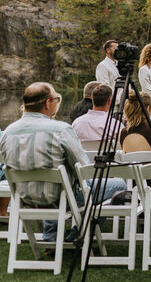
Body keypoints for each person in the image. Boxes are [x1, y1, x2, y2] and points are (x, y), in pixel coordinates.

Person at [0, 82, 126, 242]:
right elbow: (83, 166)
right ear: (47, 103)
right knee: (119, 185)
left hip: (25, 198)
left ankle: (52, 236)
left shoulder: (8, 132)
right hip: (61, 196)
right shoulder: (60, 130)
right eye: (57, 99)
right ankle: (79, 233)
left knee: (56, 183)